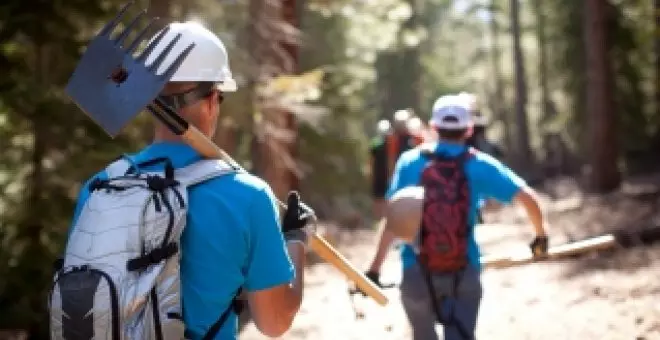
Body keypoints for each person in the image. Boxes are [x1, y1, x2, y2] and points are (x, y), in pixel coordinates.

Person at [66, 22, 310, 339]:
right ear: (211, 101)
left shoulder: (99, 186)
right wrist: (297, 241)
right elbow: (275, 321)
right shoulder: (247, 197)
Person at [364, 94, 549, 340]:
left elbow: (393, 219)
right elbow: (528, 198)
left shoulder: (410, 162)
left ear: (433, 127)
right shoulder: (480, 164)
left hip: (416, 271)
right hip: (464, 269)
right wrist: (540, 237)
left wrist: (375, 268)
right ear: (469, 129)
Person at [459, 92, 504, 160]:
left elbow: (483, 123)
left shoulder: (477, 114)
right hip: (463, 145)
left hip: (478, 144)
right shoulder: (459, 116)